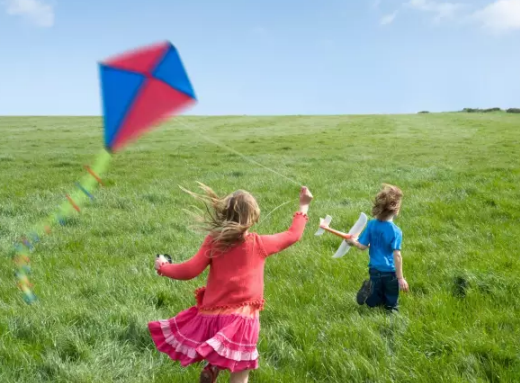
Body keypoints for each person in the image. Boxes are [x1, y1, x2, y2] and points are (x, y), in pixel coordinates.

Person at [148, 183, 313, 383]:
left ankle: (213, 368)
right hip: (242, 318)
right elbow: (292, 235)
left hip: (212, 316)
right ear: (253, 217)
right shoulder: (258, 243)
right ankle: (215, 368)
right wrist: (303, 205)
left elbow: (190, 270)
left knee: (223, 346)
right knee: (241, 369)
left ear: (225, 215)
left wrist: (163, 267)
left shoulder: (214, 241)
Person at [345, 184, 409, 311]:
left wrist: (353, 242)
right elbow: (397, 255)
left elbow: (363, 246)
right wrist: (400, 278)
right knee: (391, 298)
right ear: (396, 210)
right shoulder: (396, 231)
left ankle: (370, 296)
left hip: (374, 269)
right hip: (390, 272)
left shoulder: (372, 224)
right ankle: (391, 311)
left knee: (376, 295)